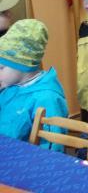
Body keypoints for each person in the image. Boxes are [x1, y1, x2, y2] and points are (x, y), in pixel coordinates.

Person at [0, 19, 68, 148]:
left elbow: (52, 148)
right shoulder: (9, 89)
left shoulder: (47, 99)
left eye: (1, 68)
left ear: (22, 65)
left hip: (24, 158)